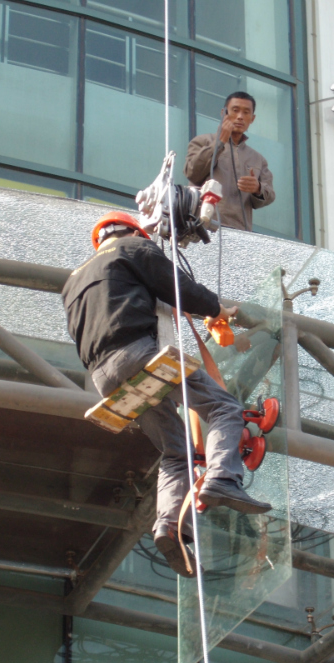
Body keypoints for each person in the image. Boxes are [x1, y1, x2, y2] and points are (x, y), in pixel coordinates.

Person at [61, 211, 272, 577]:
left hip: (103, 377)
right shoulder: (133, 248)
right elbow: (179, 287)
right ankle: (224, 479)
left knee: (176, 452)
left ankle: (169, 526)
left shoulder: (74, 280)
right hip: (136, 353)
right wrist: (219, 309)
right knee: (224, 408)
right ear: (133, 232)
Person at [184, 91, 275, 232]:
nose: (240, 117)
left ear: (252, 118)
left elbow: (270, 195)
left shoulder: (257, 159)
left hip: (240, 230)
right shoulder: (203, 142)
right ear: (224, 113)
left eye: (246, 112)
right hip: (202, 225)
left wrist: (258, 188)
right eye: (235, 110)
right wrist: (219, 142)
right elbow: (192, 172)